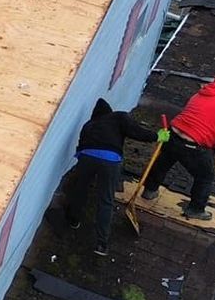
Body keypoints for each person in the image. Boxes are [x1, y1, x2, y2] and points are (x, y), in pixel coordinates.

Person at [62, 98, 164, 256]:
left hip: (86, 156)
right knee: (106, 200)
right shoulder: (118, 117)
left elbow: (80, 146)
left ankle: (73, 220)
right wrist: (157, 136)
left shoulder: (89, 125)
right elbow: (136, 131)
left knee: (80, 189)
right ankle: (101, 244)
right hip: (110, 160)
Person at [140, 73, 215, 221]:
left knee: (162, 163)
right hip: (192, 146)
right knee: (205, 176)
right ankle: (195, 209)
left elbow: (197, 122)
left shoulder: (198, 95)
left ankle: (149, 190)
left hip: (173, 134)